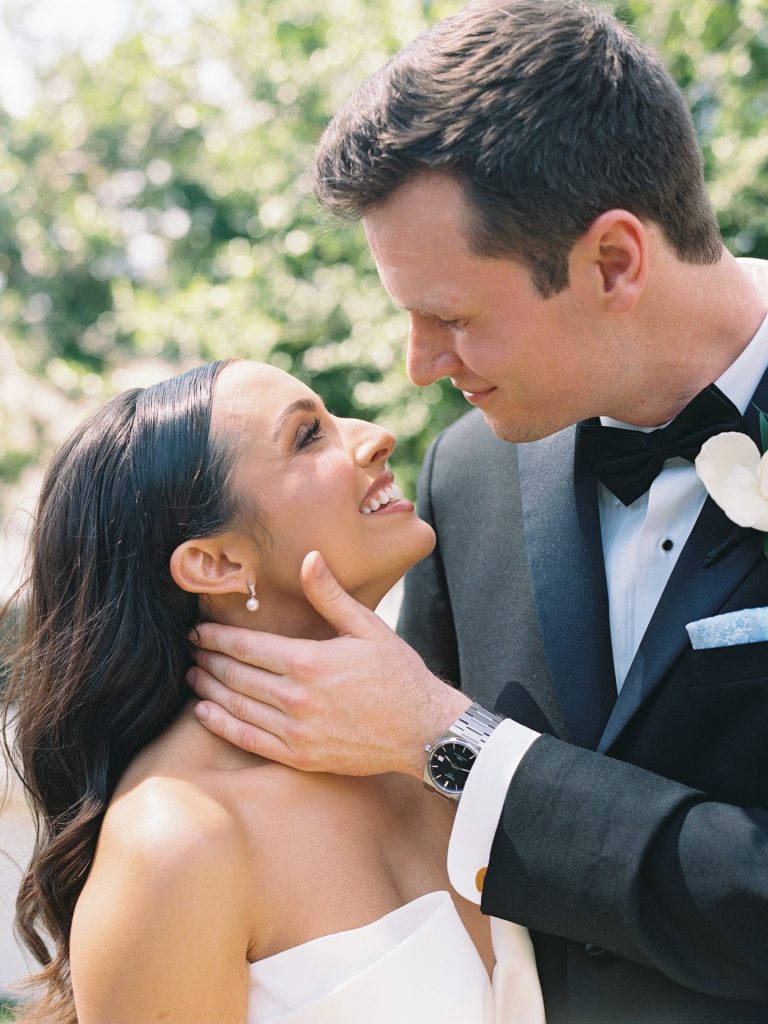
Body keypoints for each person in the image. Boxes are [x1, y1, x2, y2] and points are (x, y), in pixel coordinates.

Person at [186, 1, 768, 1022]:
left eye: (449, 316)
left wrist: (453, 741)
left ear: (614, 262)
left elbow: (436, 743)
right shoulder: (467, 472)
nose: (419, 367)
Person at [0, 359, 545, 1024]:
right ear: (218, 563)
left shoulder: (428, 744)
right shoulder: (175, 840)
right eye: (308, 436)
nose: (376, 436)